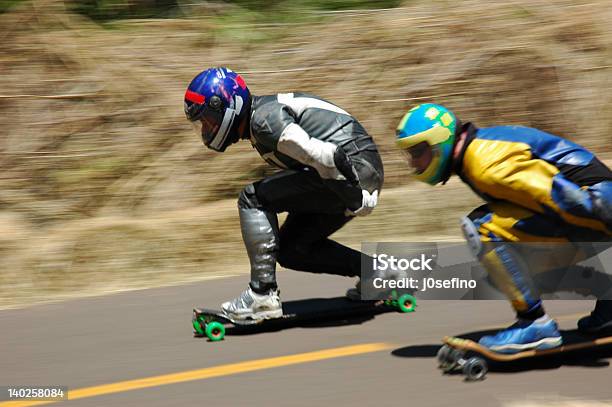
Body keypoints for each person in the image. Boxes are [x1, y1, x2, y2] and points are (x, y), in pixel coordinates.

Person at [395, 103, 611, 353]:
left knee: (482, 230)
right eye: (409, 154)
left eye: (417, 151)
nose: (414, 161)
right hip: (594, 204)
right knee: (503, 269)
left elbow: (556, 194)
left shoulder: (485, 161)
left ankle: (535, 325)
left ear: (439, 142)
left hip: (595, 207)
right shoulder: (477, 150)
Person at [184, 67, 383, 320]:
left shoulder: (264, 121)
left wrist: (356, 198)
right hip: (352, 171)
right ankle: (379, 274)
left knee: (252, 197)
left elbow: (325, 156)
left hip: (352, 170)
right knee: (291, 249)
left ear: (225, 106)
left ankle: (262, 296)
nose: (206, 129)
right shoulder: (260, 122)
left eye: (207, 120)